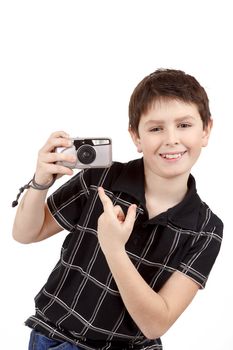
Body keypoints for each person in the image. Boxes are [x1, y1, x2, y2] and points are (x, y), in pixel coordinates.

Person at [12, 68, 223, 350]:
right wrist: (39, 183)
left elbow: (155, 324)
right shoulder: (100, 179)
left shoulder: (206, 229)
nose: (171, 139)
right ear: (136, 137)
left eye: (184, 125)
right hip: (58, 338)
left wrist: (113, 248)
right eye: (156, 128)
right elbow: (26, 233)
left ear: (206, 130)